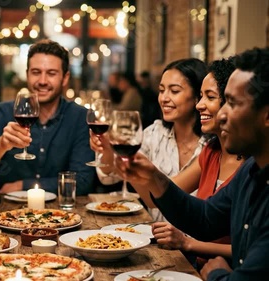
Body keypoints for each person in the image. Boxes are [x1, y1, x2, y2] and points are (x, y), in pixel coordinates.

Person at [114, 47, 269, 280]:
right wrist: (153, 176)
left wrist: (216, 273)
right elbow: (205, 218)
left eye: (233, 103)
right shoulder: (251, 170)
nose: (223, 114)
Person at [146, 58, 242, 268]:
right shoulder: (211, 152)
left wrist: (188, 243)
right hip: (196, 266)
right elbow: (171, 198)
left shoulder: (253, 166)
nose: (200, 105)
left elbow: (249, 247)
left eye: (210, 97)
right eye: (201, 96)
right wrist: (142, 170)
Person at [0, 39, 94, 195]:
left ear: (65, 78)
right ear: (27, 74)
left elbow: (82, 181)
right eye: (36, 72)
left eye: (51, 73)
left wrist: (24, 185)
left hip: (63, 212)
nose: (42, 81)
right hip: (8, 212)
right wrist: (1, 144)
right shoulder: (4, 112)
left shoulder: (80, 118)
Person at [91, 58, 207, 221]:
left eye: (174, 91)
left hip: (194, 243)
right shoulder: (155, 133)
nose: (164, 98)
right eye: (161, 90)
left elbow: (166, 194)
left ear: (197, 97)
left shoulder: (211, 146)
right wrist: (107, 150)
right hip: (155, 239)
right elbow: (109, 177)